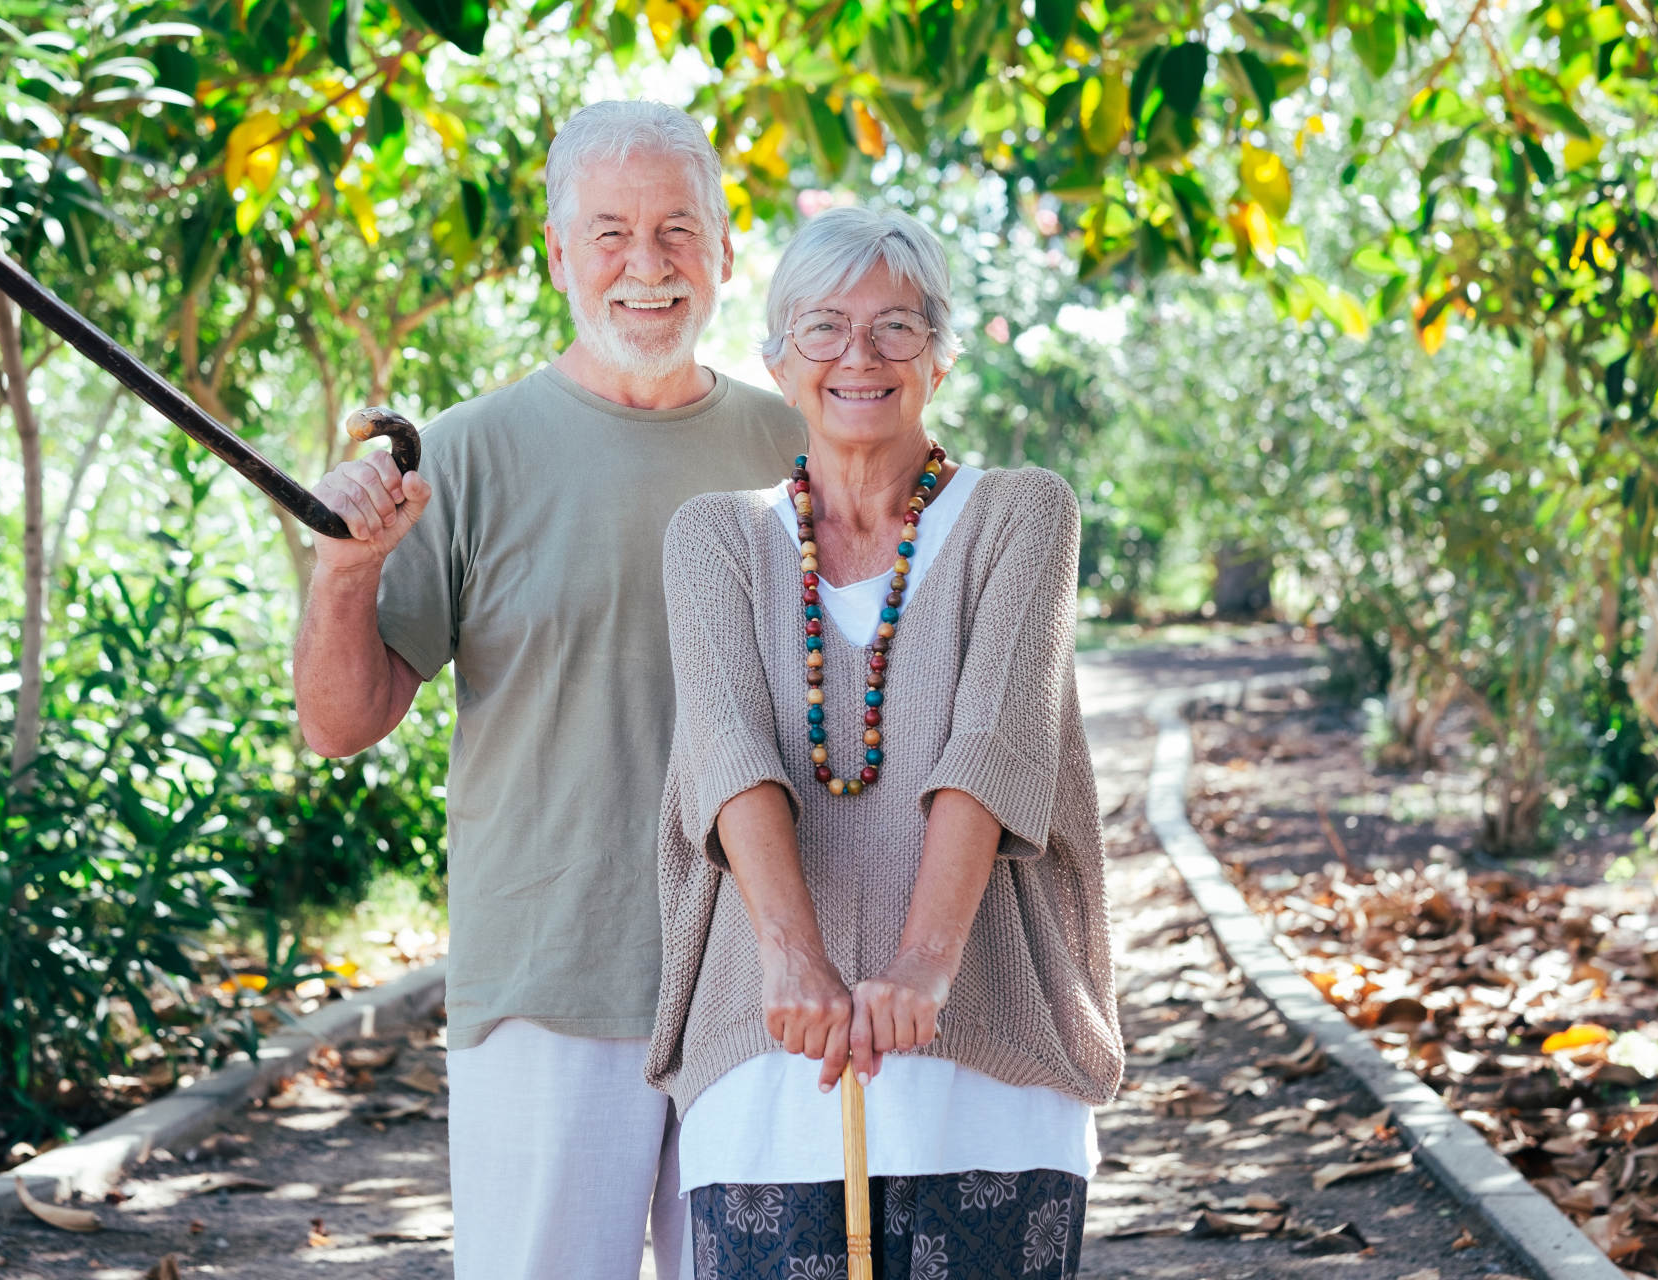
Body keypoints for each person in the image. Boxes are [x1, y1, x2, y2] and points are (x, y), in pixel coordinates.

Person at [291, 101, 806, 1279]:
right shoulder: (467, 454)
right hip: (549, 974)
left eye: (679, 230)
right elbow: (338, 722)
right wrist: (344, 573)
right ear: (558, 251)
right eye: (612, 231)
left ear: (727, 249)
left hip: (769, 982)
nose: (647, 265)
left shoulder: (799, 449)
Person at [645, 207, 1124, 1277]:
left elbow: (995, 740)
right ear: (777, 359)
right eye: (822, 327)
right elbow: (729, 750)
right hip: (772, 1067)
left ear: (940, 357)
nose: (858, 355)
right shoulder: (714, 536)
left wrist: (922, 965)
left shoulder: (1022, 514)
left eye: (896, 327)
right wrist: (795, 959)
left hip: (988, 1062)